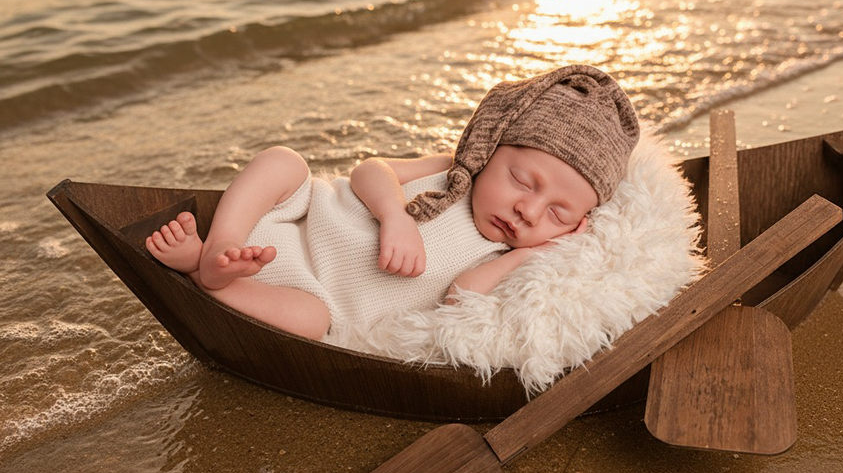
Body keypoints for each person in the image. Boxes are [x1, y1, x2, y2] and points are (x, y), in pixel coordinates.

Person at [145, 65, 640, 341]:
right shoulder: (455, 170)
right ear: (487, 151)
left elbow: (461, 297)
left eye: (558, 214)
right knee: (284, 161)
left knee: (313, 324)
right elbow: (368, 169)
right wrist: (393, 217)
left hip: (309, 297)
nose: (528, 212)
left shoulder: (503, 256)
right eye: (521, 181)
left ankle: (207, 275)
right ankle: (223, 242)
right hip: (291, 219)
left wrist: (527, 255)